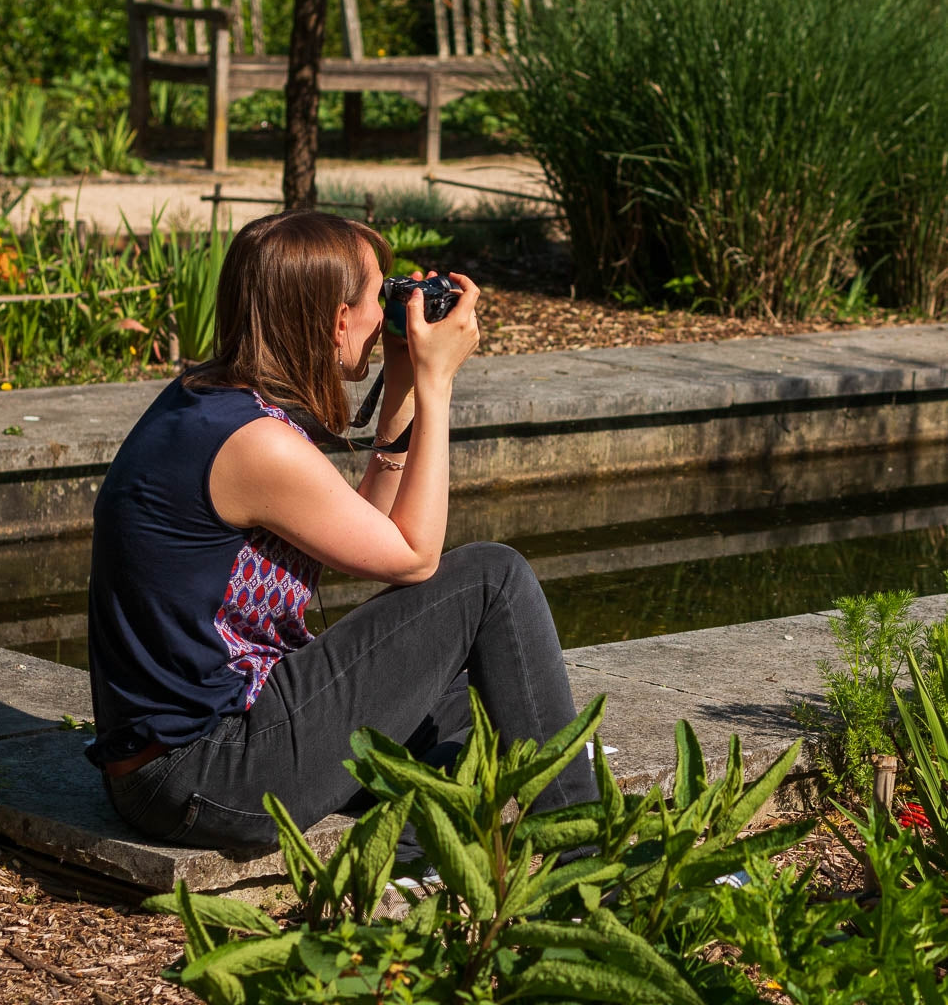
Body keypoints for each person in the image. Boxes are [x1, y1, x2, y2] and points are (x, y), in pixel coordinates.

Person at [86, 211, 597, 856]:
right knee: (492, 579)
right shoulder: (256, 446)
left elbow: (374, 540)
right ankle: (585, 857)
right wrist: (438, 387)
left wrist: (405, 378)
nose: (386, 310)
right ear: (334, 321)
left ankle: (416, 851)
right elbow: (413, 558)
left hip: (183, 764)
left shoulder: (208, 401)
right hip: (204, 773)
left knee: (483, 701)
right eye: (377, 296)